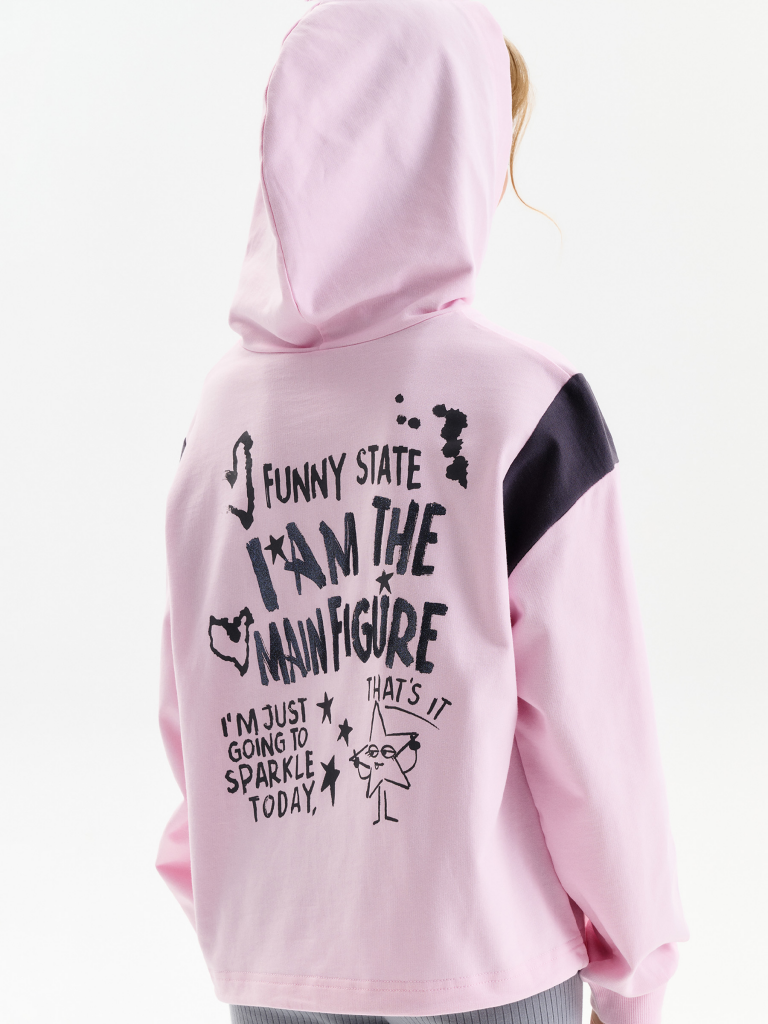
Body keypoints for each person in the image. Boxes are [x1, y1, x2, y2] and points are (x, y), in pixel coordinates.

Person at [155, 2, 688, 1023]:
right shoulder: (524, 408)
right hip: (486, 971)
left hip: (271, 966)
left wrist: (240, 909)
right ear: (460, 145)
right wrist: (637, 977)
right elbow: (596, 738)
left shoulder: (218, 422)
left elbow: (195, 707)